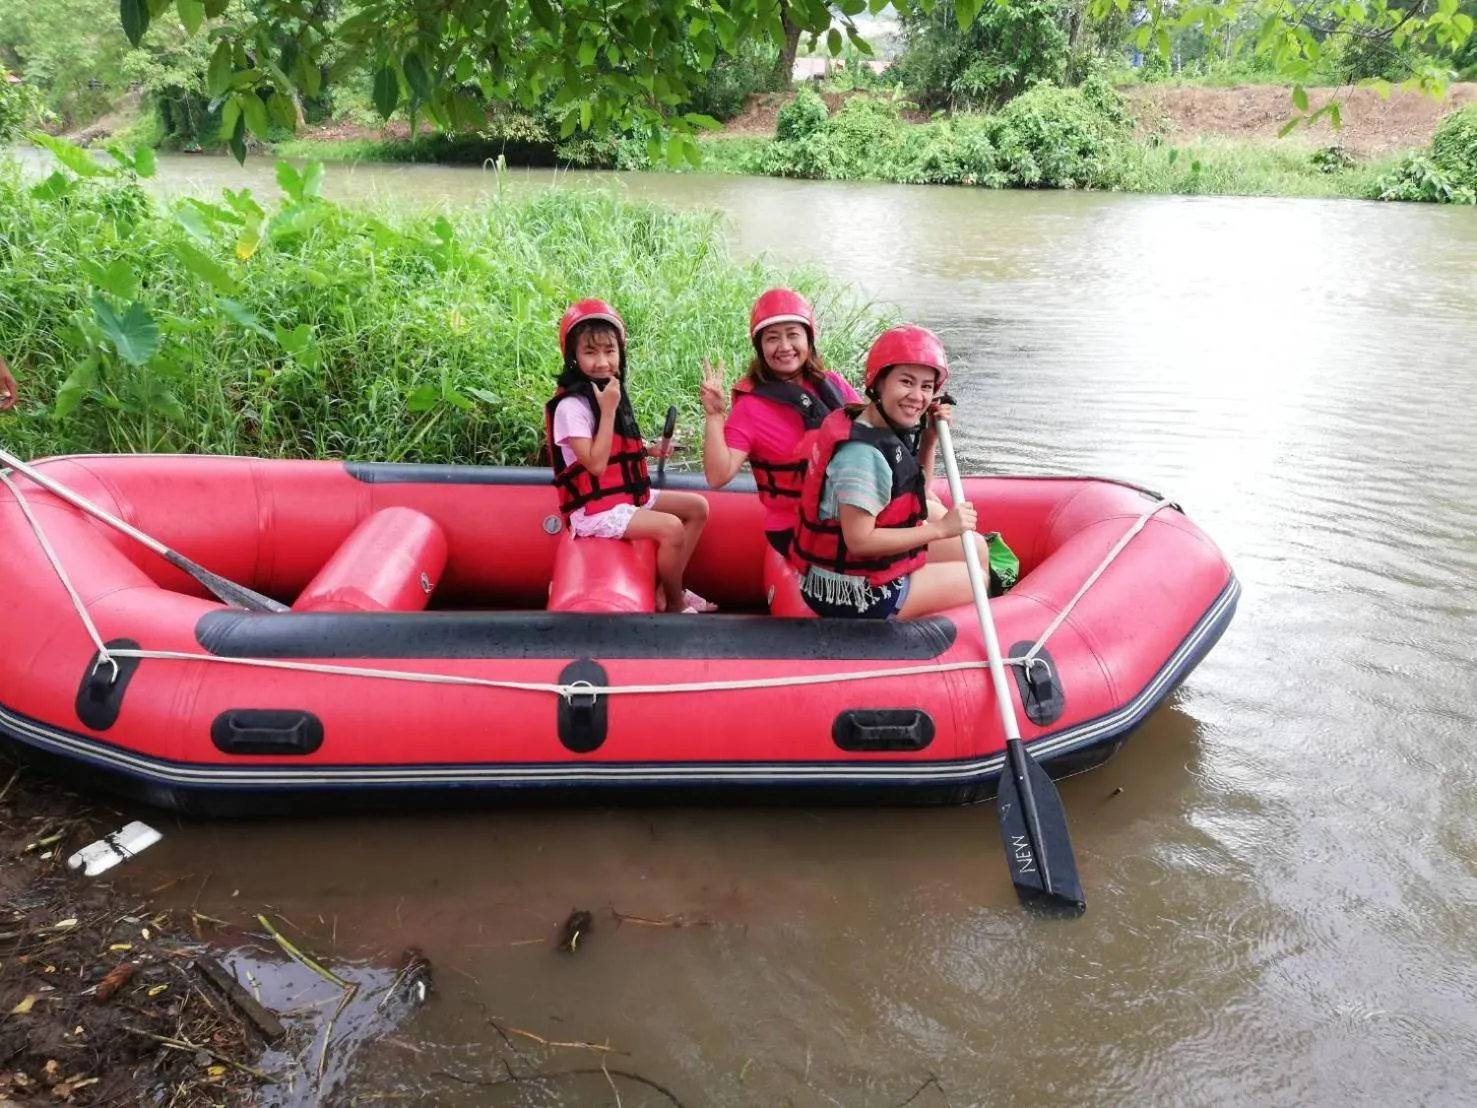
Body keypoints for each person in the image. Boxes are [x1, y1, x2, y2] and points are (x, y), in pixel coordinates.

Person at [788, 324, 981, 620]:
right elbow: (860, 541)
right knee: (975, 577)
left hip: (854, 576)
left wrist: (928, 441)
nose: (917, 396)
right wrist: (941, 530)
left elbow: (917, 494)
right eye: (907, 382)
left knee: (976, 548)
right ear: (878, 383)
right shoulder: (862, 455)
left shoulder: (872, 422)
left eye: (926, 386)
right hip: (853, 593)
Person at [545, 299, 714, 614]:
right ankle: (676, 606)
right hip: (594, 511)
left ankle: (667, 589)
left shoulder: (608, 389)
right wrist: (608, 411)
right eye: (590, 353)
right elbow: (595, 465)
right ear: (572, 357)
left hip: (623, 495)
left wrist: (649, 450)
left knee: (697, 508)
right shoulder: (572, 407)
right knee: (671, 527)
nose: (601, 362)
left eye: (609, 351)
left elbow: (616, 450)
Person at [699, 289, 859, 557]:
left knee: (928, 509)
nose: (784, 347)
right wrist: (714, 416)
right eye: (772, 338)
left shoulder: (832, 383)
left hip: (848, 512)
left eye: (793, 335)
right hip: (796, 528)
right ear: (760, 348)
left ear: (809, 339)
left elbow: (873, 433)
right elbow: (718, 475)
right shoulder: (750, 407)